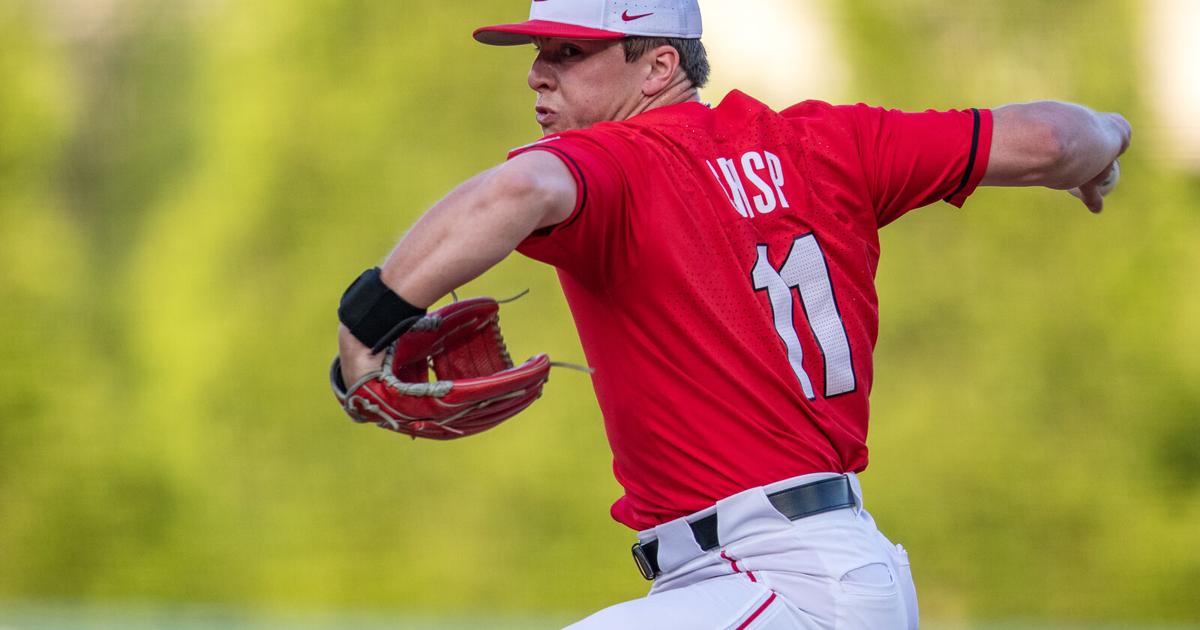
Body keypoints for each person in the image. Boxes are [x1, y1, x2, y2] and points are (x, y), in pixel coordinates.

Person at [335, 1, 1132, 627]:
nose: (539, 75)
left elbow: (515, 192)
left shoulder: (619, 160)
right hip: (790, 575)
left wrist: (364, 324)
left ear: (658, 66)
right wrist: (1110, 139)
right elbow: (1053, 138)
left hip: (780, 579)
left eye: (570, 54)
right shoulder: (829, 145)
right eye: (540, 54)